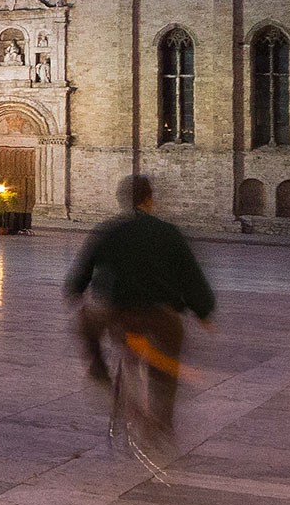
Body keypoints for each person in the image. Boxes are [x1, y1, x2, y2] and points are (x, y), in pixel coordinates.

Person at [64, 174, 216, 437]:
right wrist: (203, 310)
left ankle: (98, 369)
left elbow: (81, 273)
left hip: (118, 313)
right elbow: (191, 277)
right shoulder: (169, 233)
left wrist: (76, 291)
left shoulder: (109, 231)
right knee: (166, 364)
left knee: (87, 322)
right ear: (149, 200)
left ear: (122, 200)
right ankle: (162, 424)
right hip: (160, 314)